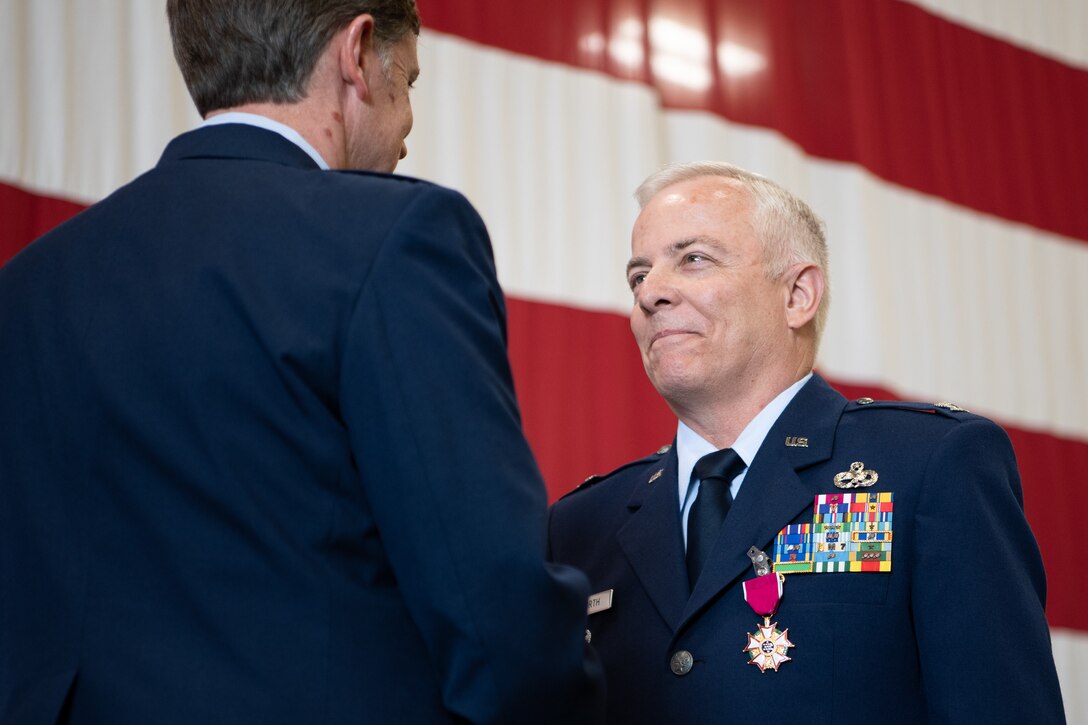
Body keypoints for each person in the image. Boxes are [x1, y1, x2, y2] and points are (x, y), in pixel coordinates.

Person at [0, 1, 603, 722]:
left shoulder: (27, 286)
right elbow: (498, 618)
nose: (408, 130)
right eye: (408, 82)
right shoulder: (395, 240)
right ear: (358, 52)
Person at [548, 161, 1065, 723]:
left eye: (693, 259)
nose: (651, 294)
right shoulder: (579, 526)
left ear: (797, 294)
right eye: (638, 276)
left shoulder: (928, 466)